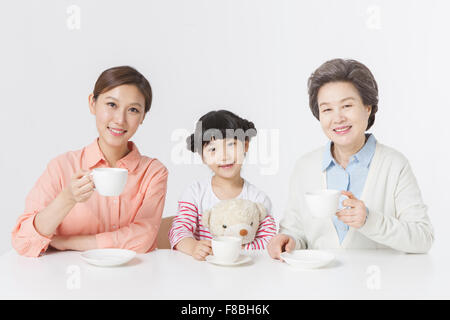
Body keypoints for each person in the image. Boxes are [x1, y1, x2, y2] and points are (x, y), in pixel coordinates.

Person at [268, 59, 434, 259]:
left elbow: (422, 238)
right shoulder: (305, 167)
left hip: (379, 287)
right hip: (319, 286)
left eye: (347, 105)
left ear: (368, 108)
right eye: (327, 109)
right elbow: (295, 231)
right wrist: (288, 240)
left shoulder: (394, 165)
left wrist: (369, 220)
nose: (338, 118)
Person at [12, 66, 168, 257]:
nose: (120, 119)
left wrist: (67, 242)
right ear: (92, 104)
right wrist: (68, 198)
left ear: (143, 117)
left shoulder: (153, 172)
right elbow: (24, 242)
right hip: (64, 282)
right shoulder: (62, 167)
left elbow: (143, 238)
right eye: (111, 105)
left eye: (133, 110)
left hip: (133, 280)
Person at [169, 110, 276, 260]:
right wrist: (193, 247)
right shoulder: (195, 193)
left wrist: (230, 250)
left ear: (245, 146)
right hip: (203, 272)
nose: (224, 156)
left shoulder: (258, 199)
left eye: (231, 144)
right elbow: (178, 231)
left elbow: (269, 240)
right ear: (203, 157)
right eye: (213, 149)